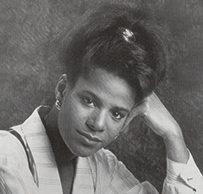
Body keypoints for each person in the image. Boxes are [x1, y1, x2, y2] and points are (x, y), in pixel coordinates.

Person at [0, 3, 202, 194]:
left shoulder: (104, 168)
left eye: (116, 114)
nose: (97, 124)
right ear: (62, 90)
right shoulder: (6, 158)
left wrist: (173, 135)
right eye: (89, 101)